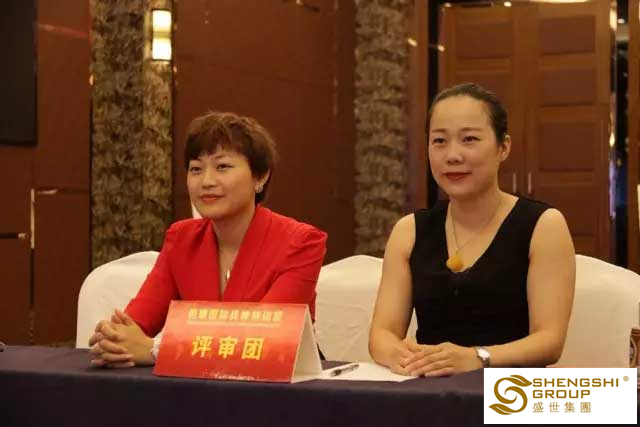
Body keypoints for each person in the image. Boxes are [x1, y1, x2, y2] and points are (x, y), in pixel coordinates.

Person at [89, 111, 328, 367]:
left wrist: (156, 350)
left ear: (260, 176)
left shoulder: (302, 243)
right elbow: (135, 324)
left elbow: (262, 340)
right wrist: (114, 339)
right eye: (196, 169)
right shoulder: (181, 239)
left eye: (222, 167)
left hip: (280, 385)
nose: (207, 181)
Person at [368, 83, 575, 376]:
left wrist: (477, 358)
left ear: (503, 147)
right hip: (430, 389)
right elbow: (382, 334)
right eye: (439, 141)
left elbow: (549, 341)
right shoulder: (409, 230)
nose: (452, 155)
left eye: (469, 139)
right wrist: (399, 355)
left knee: (614, 397)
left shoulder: (544, 225)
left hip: (513, 392)